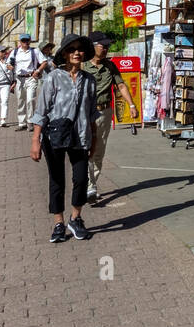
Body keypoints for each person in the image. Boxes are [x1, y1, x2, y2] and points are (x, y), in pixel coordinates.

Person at [29, 33, 97, 243]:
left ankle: (75, 219)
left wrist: (94, 139)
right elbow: (42, 110)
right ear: (65, 54)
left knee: (81, 179)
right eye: (71, 49)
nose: (77, 52)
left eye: (80, 49)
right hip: (55, 135)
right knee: (57, 180)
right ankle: (59, 223)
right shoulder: (53, 77)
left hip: (81, 135)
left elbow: (92, 112)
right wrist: (35, 140)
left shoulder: (89, 80)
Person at [81, 30, 138, 204]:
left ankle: (92, 185)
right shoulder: (82, 65)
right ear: (93, 46)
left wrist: (132, 105)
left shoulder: (110, 66)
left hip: (104, 112)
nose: (106, 49)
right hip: (84, 112)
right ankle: (88, 186)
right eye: (102, 46)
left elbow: (121, 86)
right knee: (85, 149)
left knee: (99, 151)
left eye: (108, 46)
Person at [9, 33, 47, 130]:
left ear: (30, 41)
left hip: (31, 78)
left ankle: (30, 121)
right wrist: (10, 66)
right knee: (20, 100)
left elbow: (44, 62)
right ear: (20, 42)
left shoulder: (35, 51)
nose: (25, 42)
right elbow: (8, 63)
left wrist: (38, 71)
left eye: (27, 40)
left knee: (30, 100)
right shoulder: (15, 52)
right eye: (23, 41)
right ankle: (22, 123)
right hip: (19, 79)